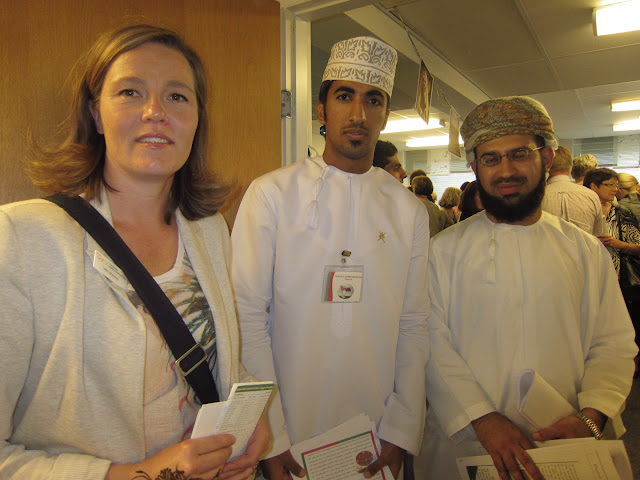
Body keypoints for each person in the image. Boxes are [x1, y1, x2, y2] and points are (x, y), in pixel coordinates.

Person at [0, 24, 268, 480]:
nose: (155, 112)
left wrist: (248, 416)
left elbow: (214, 352)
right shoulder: (21, 239)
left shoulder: (208, 231)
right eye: (130, 92)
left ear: (197, 118)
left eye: (177, 96)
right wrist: (138, 474)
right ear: (96, 114)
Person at [231, 36, 429, 480]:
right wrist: (270, 435)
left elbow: (414, 323)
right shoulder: (272, 194)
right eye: (344, 96)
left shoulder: (407, 210)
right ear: (322, 110)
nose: (358, 114)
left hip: (376, 435)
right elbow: (246, 318)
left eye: (373, 100)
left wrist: (401, 429)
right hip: (288, 429)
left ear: (385, 114)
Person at [415, 96, 637, 480]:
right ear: (475, 167)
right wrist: (483, 420)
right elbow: (430, 343)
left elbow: (613, 343)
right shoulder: (442, 252)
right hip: (466, 444)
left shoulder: (585, 251)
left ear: (546, 158)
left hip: (564, 445)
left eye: (519, 154)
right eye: (491, 158)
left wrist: (591, 417)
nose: (506, 170)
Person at [585, 168, 640, 373]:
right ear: (594, 186)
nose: (615, 189)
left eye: (616, 185)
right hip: (590, 279)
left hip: (619, 280)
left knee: (622, 325)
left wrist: (619, 244)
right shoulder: (584, 211)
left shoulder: (622, 213)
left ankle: (626, 367)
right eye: (610, 185)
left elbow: (637, 246)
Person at [541, 145, 604, 235]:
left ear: (546, 164)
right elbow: (600, 236)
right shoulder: (591, 196)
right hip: (585, 244)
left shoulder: (537, 198)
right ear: (570, 167)